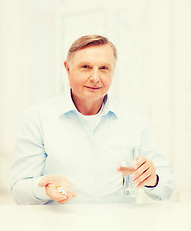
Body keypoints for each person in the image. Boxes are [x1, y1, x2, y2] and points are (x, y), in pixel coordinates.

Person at [11, 35, 175, 205]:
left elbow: (167, 187)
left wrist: (153, 178)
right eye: (86, 67)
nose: (95, 78)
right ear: (68, 69)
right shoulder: (36, 119)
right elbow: (19, 191)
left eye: (104, 68)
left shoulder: (136, 121)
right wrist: (44, 190)